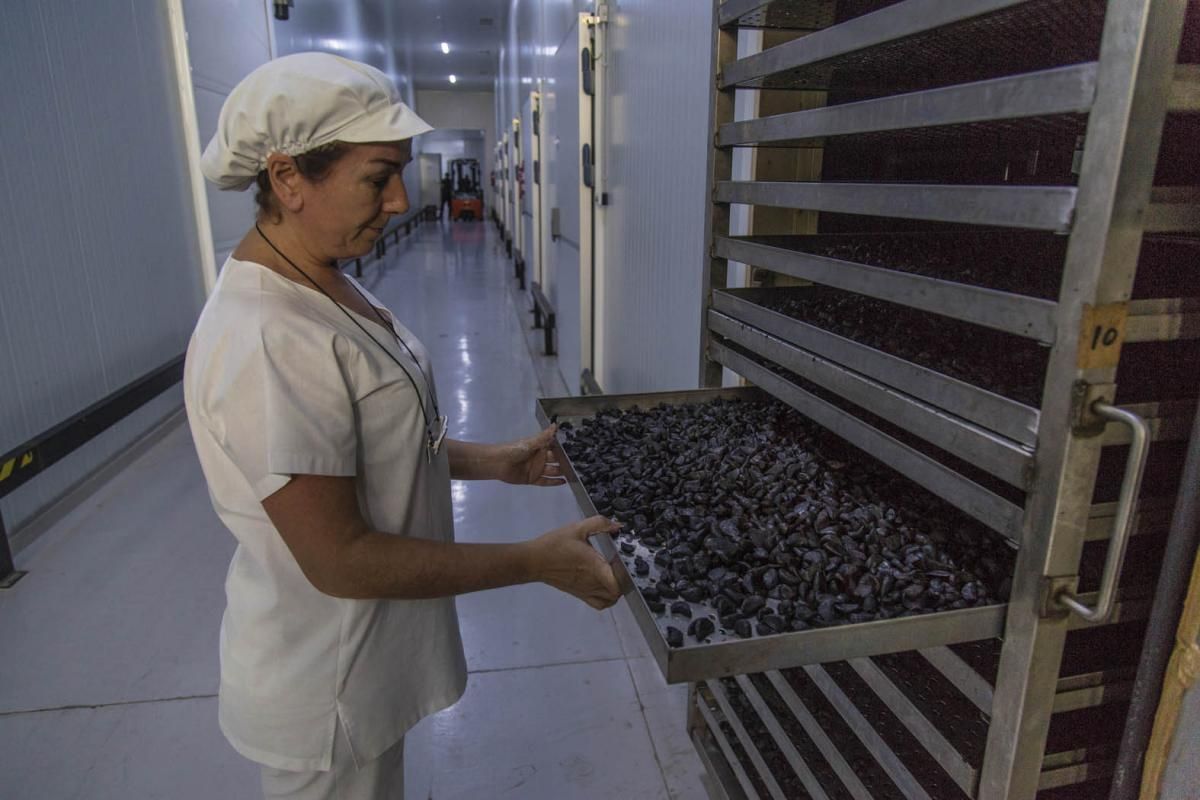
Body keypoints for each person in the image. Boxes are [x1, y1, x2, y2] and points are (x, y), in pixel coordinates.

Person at [185, 52, 621, 800]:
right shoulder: (266, 337)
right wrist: (532, 561)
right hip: (327, 690)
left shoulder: (323, 277)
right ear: (288, 178)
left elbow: (369, 444)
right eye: (377, 177)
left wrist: (494, 462)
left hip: (364, 666)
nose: (397, 201)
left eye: (401, 173)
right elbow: (341, 560)